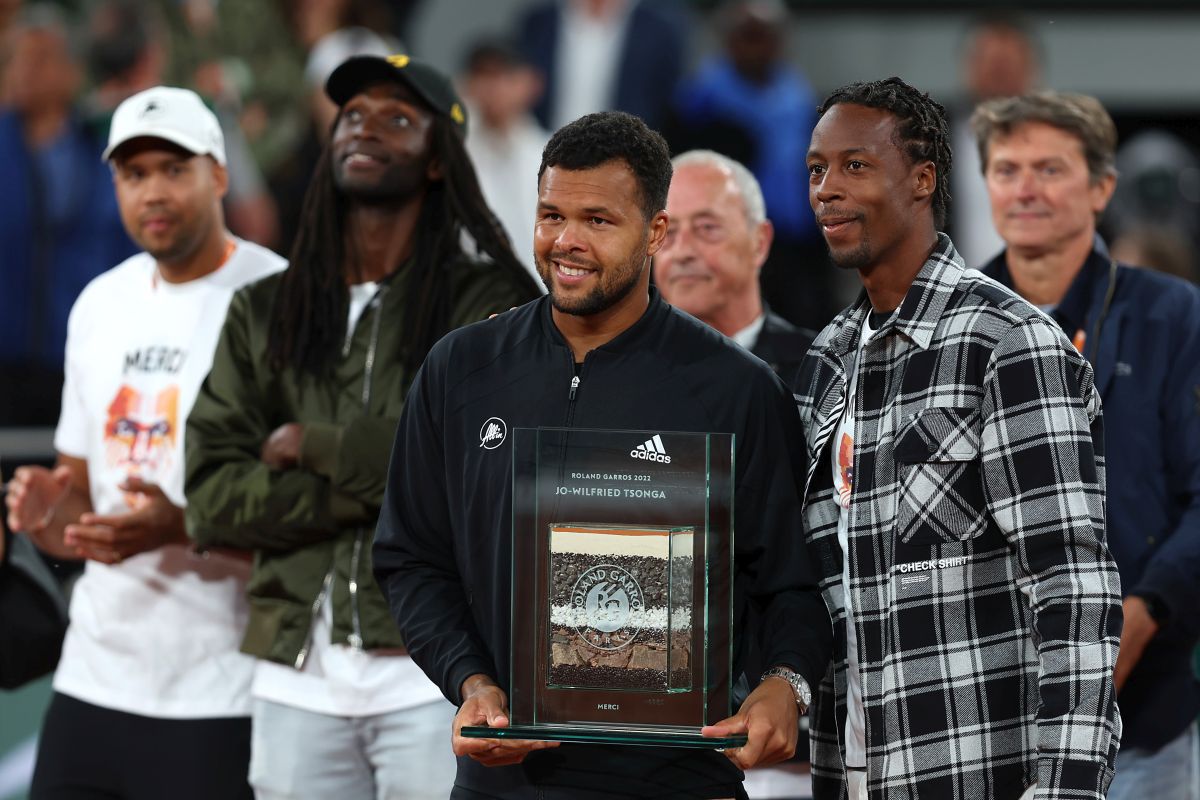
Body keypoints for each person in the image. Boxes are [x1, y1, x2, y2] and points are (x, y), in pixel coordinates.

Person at [372, 110, 831, 800]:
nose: (566, 241)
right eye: (551, 215)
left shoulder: (737, 389)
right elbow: (411, 557)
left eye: (598, 220)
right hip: (506, 776)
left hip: (681, 776)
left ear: (654, 233)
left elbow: (792, 582)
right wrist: (473, 681)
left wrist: (784, 682)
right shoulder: (460, 371)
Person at [184, 54, 540, 800]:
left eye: (398, 118)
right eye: (352, 115)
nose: (366, 128)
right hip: (294, 674)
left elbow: (487, 473)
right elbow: (211, 494)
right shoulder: (266, 307)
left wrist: (315, 448)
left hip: (440, 675)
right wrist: (377, 493)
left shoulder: (493, 301)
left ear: (440, 159)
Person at [797, 77, 1122, 800]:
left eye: (855, 165)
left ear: (923, 178)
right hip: (845, 772)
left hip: (975, 774)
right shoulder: (827, 361)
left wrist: (1067, 787)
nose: (827, 188)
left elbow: (1073, 583)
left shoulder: (1007, 342)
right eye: (817, 170)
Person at [4, 85, 284, 799]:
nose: (152, 191)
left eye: (172, 168)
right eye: (133, 174)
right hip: (94, 673)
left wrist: (184, 526)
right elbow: (79, 515)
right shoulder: (101, 302)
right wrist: (43, 510)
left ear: (218, 174)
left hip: (224, 687)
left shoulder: (282, 300)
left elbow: (320, 512)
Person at [973, 90, 1200, 800]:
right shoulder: (947, 320)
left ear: (1102, 187)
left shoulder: (1171, 314)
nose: (1026, 189)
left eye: (1050, 169)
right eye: (1007, 170)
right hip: (983, 722)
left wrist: (1144, 610)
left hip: (1145, 719)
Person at [0, 5, 137, 425]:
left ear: (72, 71)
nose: (25, 69)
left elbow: (126, 254)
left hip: (83, 362)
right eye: (15, 58)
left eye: (40, 57)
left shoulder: (105, 151)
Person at [668, 0, 829, 331]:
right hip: (725, 240)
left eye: (765, 36)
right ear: (728, 40)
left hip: (795, 245)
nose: (757, 46)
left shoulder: (798, 96)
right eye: (747, 35)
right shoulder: (698, 103)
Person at [654, 149, 814, 388]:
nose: (682, 251)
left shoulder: (820, 369)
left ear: (759, 242)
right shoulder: (621, 370)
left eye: (707, 228)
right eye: (669, 232)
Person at [948, 13, 1040, 269]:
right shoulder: (928, 140)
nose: (999, 76)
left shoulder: (1063, 143)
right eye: (990, 63)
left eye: (1008, 65)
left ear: (1032, 69)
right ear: (967, 66)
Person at [459, 36, 549, 284]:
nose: (492, 87)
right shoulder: (452, 154)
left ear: (530, 83)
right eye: (482, 75)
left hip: (541, 297)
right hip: (473, 297)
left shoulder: (552, 153)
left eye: (503, 75)